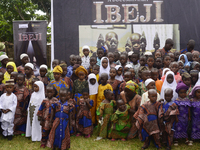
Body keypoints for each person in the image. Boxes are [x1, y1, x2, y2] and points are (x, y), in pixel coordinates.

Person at [174, 81, 191, 146]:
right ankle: (176, 140)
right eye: (181, 93)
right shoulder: (177, 100)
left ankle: (186, 139)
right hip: (179, 117)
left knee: (185, 128)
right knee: (178, 128)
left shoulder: (187, 100)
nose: (183, 94)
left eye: (184, 92)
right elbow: (175, 110)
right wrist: (176, 117)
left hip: (185, 118)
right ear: (178, 93)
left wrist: (189, 116)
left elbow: (189, 109)